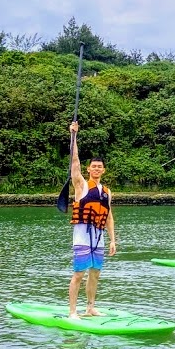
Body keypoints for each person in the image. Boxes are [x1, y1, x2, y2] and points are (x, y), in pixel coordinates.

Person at [67, 121, 116, 318]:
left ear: (103, 170)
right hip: (82, 237)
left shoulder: (107, 192)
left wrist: (112, 239)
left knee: (95, 273)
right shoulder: (81, 185)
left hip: (99, 238)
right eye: (93, 166)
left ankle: (90, 307)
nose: (96, 169)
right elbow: (74, 161)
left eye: (100, 167)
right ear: (89, 169)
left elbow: (109, 217)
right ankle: (72, 312)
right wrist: (74, 136)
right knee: (79, 274)